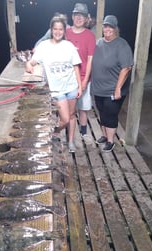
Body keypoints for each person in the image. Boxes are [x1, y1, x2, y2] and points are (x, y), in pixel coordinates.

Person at [25, 16, 82, 153]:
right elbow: (32, 61)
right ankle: (54, 132)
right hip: (57, 90)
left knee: (72, 115)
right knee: (65, 119)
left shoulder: (69, 46)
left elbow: (76, 67)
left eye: (60, 29)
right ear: (51, 30)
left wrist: (79, 86)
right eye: (55, 29)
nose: (58, 32)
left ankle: (71, 141)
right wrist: (28, 64)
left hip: (72, 87)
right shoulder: (43, 46)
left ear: (64, 31)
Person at [91, 15, 133, 152]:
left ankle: (110, 141)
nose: (107, 29)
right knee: (102, 112)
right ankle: (104, 135)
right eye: (105, 26)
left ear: (115, 29)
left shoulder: (122, 44)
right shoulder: (98, 43)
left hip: (113, 89)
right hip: (98, 89)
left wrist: (118, 88)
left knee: (110, 114)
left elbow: (127, 67)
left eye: (111, 26)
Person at [66, 3, 96, 147]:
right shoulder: (66, 32)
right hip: (67, 78)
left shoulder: (90, 36)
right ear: (72, 16)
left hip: (83, 77)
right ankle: (67, 132)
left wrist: (84, 82)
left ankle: (84, 131)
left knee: (83, 107)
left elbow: (90, 60)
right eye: (76, 15)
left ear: (86, 19)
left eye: (81, 16)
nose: (78, 18)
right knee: (67, 108)